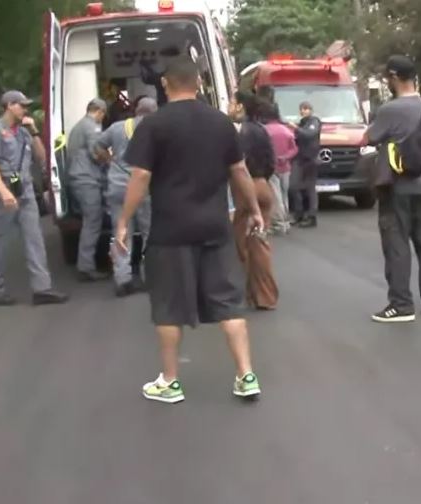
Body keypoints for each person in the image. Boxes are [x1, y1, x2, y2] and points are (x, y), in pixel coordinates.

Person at [117, 59, 265, 404]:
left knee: (168, 308)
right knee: (228, 303)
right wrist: (254, 210)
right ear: (198, 84)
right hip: (215, 227)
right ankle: (246, 375)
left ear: (166, 86)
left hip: (170, 231)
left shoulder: (154, 125)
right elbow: (240, 171)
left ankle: (170, 382)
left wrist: (124, 222)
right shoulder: (221, 122)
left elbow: (140, 177)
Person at [365, 55, 421, 323]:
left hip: (396, 186)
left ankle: (401, 305)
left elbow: (369, 137)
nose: (387, 82)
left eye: (387, 77)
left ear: (395, 77)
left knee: (396, 243)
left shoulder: (390, 109)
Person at [0, 91, 69, 306]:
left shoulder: (23, 132)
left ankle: (42, 288)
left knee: (35, 240)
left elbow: (41, 156)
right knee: (0, 243)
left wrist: (34, 131)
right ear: (9, 105)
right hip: (5, 195)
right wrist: (2, 190)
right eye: (21, 105)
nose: (25, 109)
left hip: (26, 192)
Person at [95, 97, 158, 297]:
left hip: (117, 186)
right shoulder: (155, 130)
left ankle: (123, 279)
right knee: (150, 231)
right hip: (143, 188)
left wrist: (109, 160)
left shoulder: (117, 127)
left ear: (136, 111)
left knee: (121, 232)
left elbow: (97, 146)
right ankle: (152, 277)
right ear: (154, 112)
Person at [229, 92, 279, 310]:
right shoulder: (261, 130)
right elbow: (271, 162)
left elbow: (239, 166)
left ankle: (258, 294)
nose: (229, 106)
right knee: (259, 241)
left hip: (247, 190)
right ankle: (262, 294)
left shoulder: (243, 133)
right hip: (264, 186)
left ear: (240, 106)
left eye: (232, 102)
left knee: (244, 243)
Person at [67, 98, 109, 282]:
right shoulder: (92, 127)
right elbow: (96, 152)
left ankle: (86, 265)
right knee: (92, 222)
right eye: (103, 114)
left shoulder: (78, 126)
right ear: (99, 111)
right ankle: (86, 267)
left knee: (89, 221)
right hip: (87, 180)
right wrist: (111, 162)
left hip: (79, 179)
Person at [263, 103, 298, 235]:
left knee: (276, 197)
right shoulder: (286, 130)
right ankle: (286, 221)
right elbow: (295, 148)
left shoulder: (265, 130)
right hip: (286, 167)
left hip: (272, 168)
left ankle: (279, 224)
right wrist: (285, 157)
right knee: (284, 195)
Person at [289, 101, 321, 228]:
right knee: (294, 187)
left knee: (310, 188)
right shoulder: (302, 123)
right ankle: (299, 214)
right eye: (302, 109)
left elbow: (309, 134)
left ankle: (311, 216)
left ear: (311, 110)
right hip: (299, 158)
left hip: (311, 159)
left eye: (306, 108)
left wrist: (296, 128)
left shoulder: (314, 121)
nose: (303, 111)